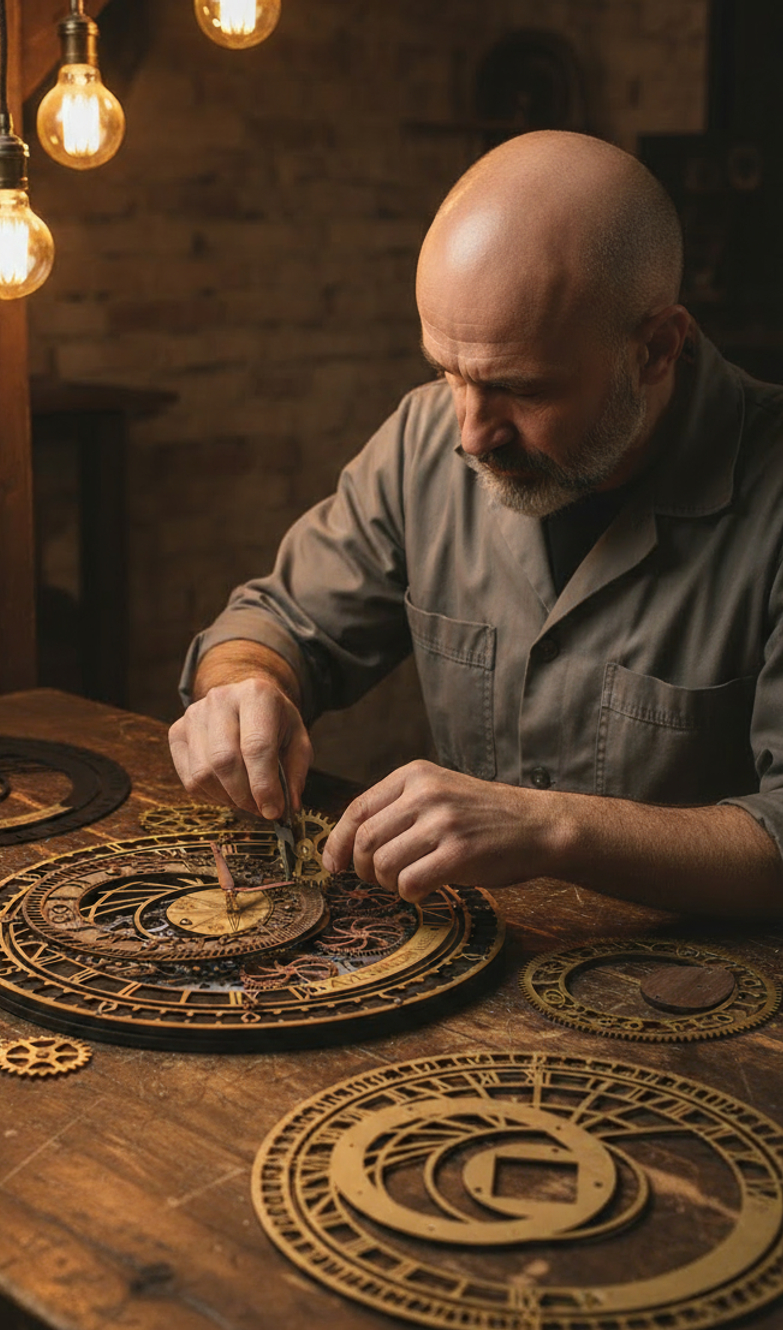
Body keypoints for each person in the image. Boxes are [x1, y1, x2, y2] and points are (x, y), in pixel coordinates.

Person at [169, 130, 783, 918]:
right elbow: (277, 623)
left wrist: (555, 829)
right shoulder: (425, 440)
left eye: (520, 389)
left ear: (658, 349)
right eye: (447, 372)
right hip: (487, 976)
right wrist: (243, 687)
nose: (469, 434)